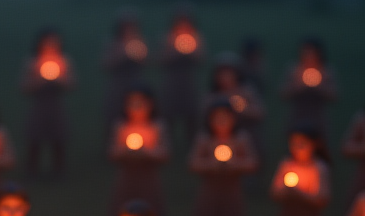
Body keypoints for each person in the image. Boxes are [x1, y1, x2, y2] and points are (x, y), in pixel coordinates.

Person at [188, 100, 258, 216]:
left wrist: (234, 165)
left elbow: (252, 163)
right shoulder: (205, 139)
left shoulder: (241, 139)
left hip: (232, 191)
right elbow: (193, 162)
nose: (221, 123)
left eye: (225, 119)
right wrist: (211, 165)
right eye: (217, 119)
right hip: (209, 191)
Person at [109, 86, 169, 216]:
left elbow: (165, 153)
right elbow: (112, 151)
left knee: (150, 205)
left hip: (149, 177)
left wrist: (147, 153)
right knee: (123, 205)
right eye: (132, 104)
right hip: (127, 176)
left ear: (151, 105)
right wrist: (125, 152)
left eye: (141, 104)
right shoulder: (121, 127)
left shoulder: (157, 127)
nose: (136, 108)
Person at [21, 29, 75, 179]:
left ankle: (59, 171)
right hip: (39, 106)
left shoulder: (64, 61)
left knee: (58, 139)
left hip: (57, 106)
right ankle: (32, 171)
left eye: (54, 43)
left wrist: (60, 81)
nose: (50, 46)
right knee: (35, 139)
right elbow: (24, 86)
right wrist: (39, 82)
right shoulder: (32, 62)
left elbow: (72, 84)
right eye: (47, 43)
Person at [202, 52, 266, 174]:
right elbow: (205, 115)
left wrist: (243, 109)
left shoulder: (246, 92)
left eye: (229, 74)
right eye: (222, 74)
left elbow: (260, 113)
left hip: (246, 135)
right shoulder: (213, 96)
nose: (226, 78)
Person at [158, 11, 206, 148]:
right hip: (172, 82)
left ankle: (192, 145)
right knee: (168, 114)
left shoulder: (197, 37)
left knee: (192, 115)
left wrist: (191, 54)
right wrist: (174, 53)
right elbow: (161, 59)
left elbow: (201, 58)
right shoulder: (167, 38)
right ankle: (167, 144)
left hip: (189, 81)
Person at [101, 14, 149, 133]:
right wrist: (122, 56)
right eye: (126, 27)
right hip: (118, 86)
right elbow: (105, 64)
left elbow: (148, 60)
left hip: (136, 84)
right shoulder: (113, 44)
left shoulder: (139, 42)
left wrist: (138, 56)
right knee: (114, 116)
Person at [280, 38, 338, 135]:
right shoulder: (293, 70)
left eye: (312, 53)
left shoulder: (327, 72)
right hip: (297, 117)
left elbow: (335, 96)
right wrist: (299, 86)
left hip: (318, 118)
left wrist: (319, 86)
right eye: (306, 53)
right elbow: (283, 93)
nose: (309, 56)